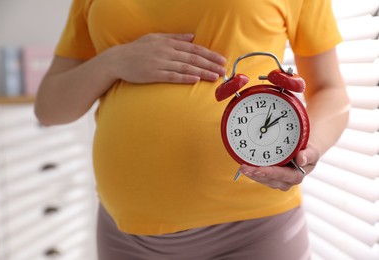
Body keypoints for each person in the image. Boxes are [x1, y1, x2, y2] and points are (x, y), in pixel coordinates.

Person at [34, 0, 350, 259]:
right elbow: (49, 108)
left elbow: (328, 89)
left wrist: (308, 152)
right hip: (125, 237)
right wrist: (113, 61)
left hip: (252, 232)